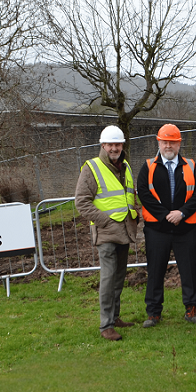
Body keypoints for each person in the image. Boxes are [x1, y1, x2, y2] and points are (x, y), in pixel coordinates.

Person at [137, 124, 196, 328]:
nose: (168, 145)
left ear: (179, 143)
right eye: (165, 142)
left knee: (189, 270)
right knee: (155, 271)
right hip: (157, 229)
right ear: (158, 142)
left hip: (185, 229)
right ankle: (153, 313)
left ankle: (191, 308)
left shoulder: (192, 166)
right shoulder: (148, 166)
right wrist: (166, 215)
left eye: (172, 142)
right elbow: (144, 193)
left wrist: (182, 213)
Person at [75, 125, 139, 341]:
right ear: (103, 145)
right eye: (110, 144)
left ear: (122, 145)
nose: (114, 148)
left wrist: (134, 215)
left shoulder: (126, 166)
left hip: (124, 231)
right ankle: (106, 325)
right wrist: (104, 221)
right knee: (108, 277)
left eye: (117, 144)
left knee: (119, 277)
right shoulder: (91, 168)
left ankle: (115, 316)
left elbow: (129, 196)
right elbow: (81, 202)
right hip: (106, 232)